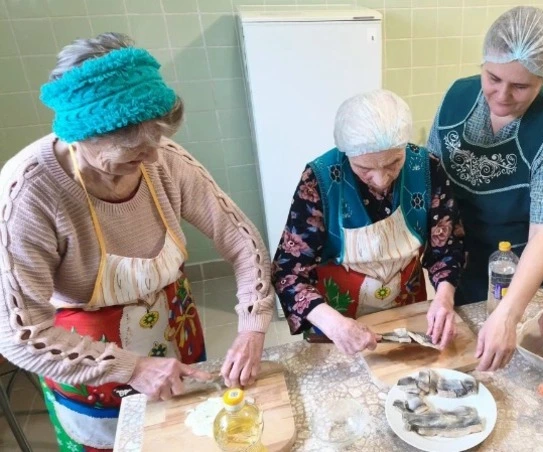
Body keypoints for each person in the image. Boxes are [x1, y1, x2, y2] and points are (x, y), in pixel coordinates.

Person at [0, 33, 275, 450]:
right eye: (134, 153)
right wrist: (133, 368)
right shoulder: (29, 194)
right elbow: (20, 334)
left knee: (188, 437)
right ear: (83, 137)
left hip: (174, 326)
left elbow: (241, 239)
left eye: (156, 144)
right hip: (89, 359)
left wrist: (253, 324)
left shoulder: (163, 159)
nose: (153, 160)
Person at [427, 6, 543, 371]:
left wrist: (508, 314)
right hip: (463, 258)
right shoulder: (457, 97)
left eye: (521, 86)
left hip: (523, 272)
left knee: (514, 367)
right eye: (493, 78)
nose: (502, 95)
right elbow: (432, 179)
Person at [272, 89, 465, 353]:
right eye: (365, 168)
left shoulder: (426, 169)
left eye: (393, 163)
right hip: (337, 322)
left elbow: (448, 248)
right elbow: (287, 271)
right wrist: (333, 324)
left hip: (406, 313)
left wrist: (444, 298)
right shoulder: (320, 180)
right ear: (346, 154)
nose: (381, 180)